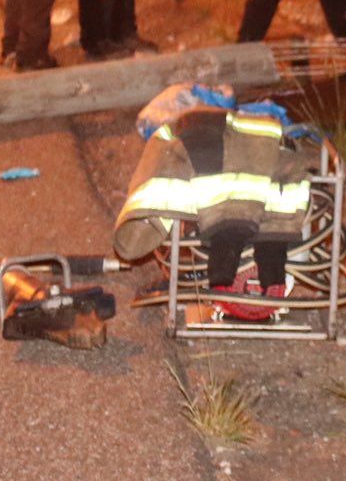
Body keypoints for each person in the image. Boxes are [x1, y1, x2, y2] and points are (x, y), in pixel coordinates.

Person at [113, 82, 313, 317]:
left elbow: (160, 178)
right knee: (261, 228)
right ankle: (247, 267)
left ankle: (228, 268)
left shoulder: (183, 132)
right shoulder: (204, 130)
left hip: (234, 210)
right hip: (253, 202)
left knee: (233, 222)